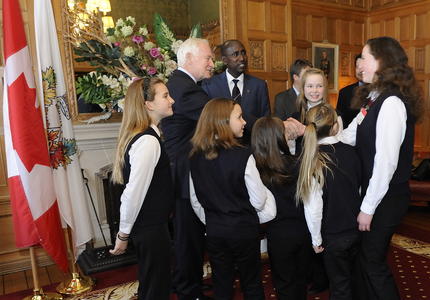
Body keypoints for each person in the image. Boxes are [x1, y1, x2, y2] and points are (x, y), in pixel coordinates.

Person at [341, 36, 423, 299]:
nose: (359, 63)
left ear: (381, 62)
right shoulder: (374, 98)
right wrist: (311, 136)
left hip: (387, 199)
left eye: (364, 57)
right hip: (375, 196)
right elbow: (348, 136)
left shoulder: (391, 104)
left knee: (372, 263)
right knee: (363, 260)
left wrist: (367, 209)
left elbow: (385, 164)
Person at [189, 98, 276, 300]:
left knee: (221, 282)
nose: (245, 121)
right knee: (252, 282)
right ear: (223, 122)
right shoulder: (243, 155)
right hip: (243, 229)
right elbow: (258, 201)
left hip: (215, 230)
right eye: (239, 117)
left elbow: (195, 200)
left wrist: (213, 219)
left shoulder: (195, 156)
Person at [109, 78, 175, 300]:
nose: (171, 100)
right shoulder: (148, 141)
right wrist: (123, 234)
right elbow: (133, 194)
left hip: (152, 226)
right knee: (156, 289)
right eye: (165, 96)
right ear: (149, 104)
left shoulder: (149, 136)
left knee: (153, 285)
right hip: (151, 229)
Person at [160, 37, 214, 300]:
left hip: (183, 169)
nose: (212, 64)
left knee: (188, 233)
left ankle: (187, 281)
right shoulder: (186, 88)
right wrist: (266, 129)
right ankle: (187, 289)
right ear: (190, 58)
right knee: (188, 234)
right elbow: (218, 118)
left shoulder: (180, 84)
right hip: (184, 171)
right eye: (208, 58)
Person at [296, 103, 362, 300]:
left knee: (339, 286)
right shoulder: (351, 152)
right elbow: (358, 189)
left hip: (333, 236)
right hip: (356, 229)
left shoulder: (313, 160)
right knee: (354, 281)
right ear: (336, 127)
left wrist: (316, 239)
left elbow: (314, 208)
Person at [251, 116, 311, 300]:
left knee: (284, 282)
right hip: (302, 230)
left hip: (277, 234)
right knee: (301, 280)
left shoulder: (256, 168)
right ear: (279, 137)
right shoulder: (297, 163)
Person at [202, 39, 270, 142]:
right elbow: (208, 123)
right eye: (235, 54)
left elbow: (265, 121)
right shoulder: (210, 85)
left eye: (243, 53)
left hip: (252, 147)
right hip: (222, 148)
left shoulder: (259, 85)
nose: (242, 58)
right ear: (225, 60)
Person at [336, 54, 363, 127]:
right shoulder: (344, 92)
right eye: (357, 67)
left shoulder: (379, 92)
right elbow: (340, 121)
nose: (360, 71)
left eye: (363, 67)